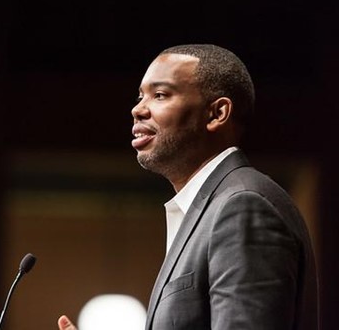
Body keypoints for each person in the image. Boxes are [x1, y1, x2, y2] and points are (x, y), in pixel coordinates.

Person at [58, 44, 319, 330]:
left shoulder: (242, 205)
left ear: (217, 113)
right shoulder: (213, 208)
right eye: (140, 96)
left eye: (160, 95)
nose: (138, 109)